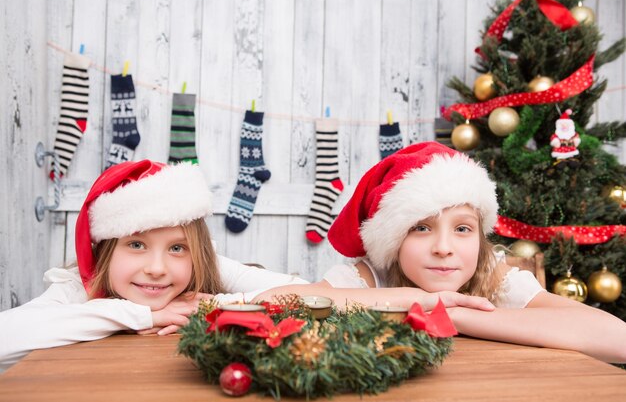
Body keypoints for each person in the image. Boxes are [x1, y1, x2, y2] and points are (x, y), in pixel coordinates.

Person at [311, 141, 626, 363]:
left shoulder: (493, 277)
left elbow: (618, 339)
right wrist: (416, 302)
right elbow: (267, 302)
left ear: (479, 238)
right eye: (421, 227)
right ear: (393, 241)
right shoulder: (368, 278)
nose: (444, 248)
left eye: (462, 229)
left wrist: (455, 316)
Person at [0, 160, 308, 373]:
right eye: (136, 245)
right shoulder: (78, 287)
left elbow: (308, 295)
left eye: (176, 248)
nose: (157, 268)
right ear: (106, 251)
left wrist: (211, 306)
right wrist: (145, 315)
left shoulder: (199, 268)